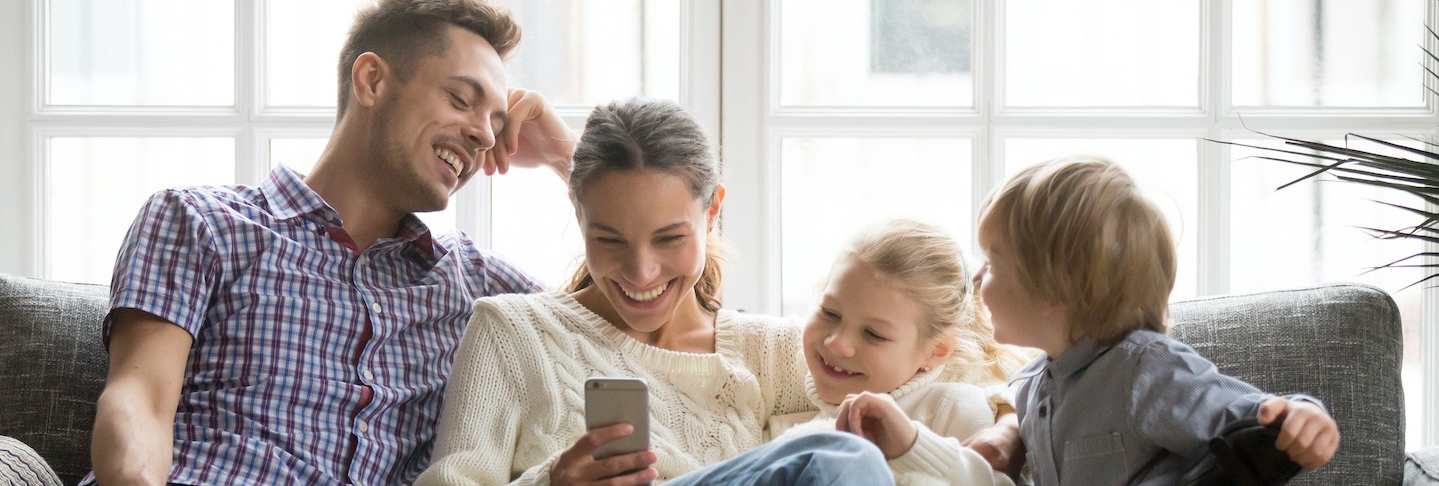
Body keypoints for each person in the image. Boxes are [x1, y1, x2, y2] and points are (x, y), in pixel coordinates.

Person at [85, 0, 577, 484]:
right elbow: (139, 402)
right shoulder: (202, 222)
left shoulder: (476, 286)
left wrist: (567, 159)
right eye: (461, 100)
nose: (484, 137)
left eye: (495, 123)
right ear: (372, 81)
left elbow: (636, 309)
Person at [418, 97, 895, 485]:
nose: (642, 273)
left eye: (670, 239)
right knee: (842, 457)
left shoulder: (774, 353)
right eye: (609, 240)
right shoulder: (513, 333)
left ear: (712, 213)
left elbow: (921, 392)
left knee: (848, 459)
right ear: (577, 214)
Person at [972, 156, 1342, 485]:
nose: (976, 279)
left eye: (991, 263)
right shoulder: (1032, 386)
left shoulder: (1144, 370)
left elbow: (1253, 420)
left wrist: (1304, 415)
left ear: (1053, 287)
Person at [766, 219, 1029, 485]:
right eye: (829, 312)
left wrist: (913, 448)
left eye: (873, 334)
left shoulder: (954, 407)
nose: (837, 343)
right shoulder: (788, 425)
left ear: (936, 350)